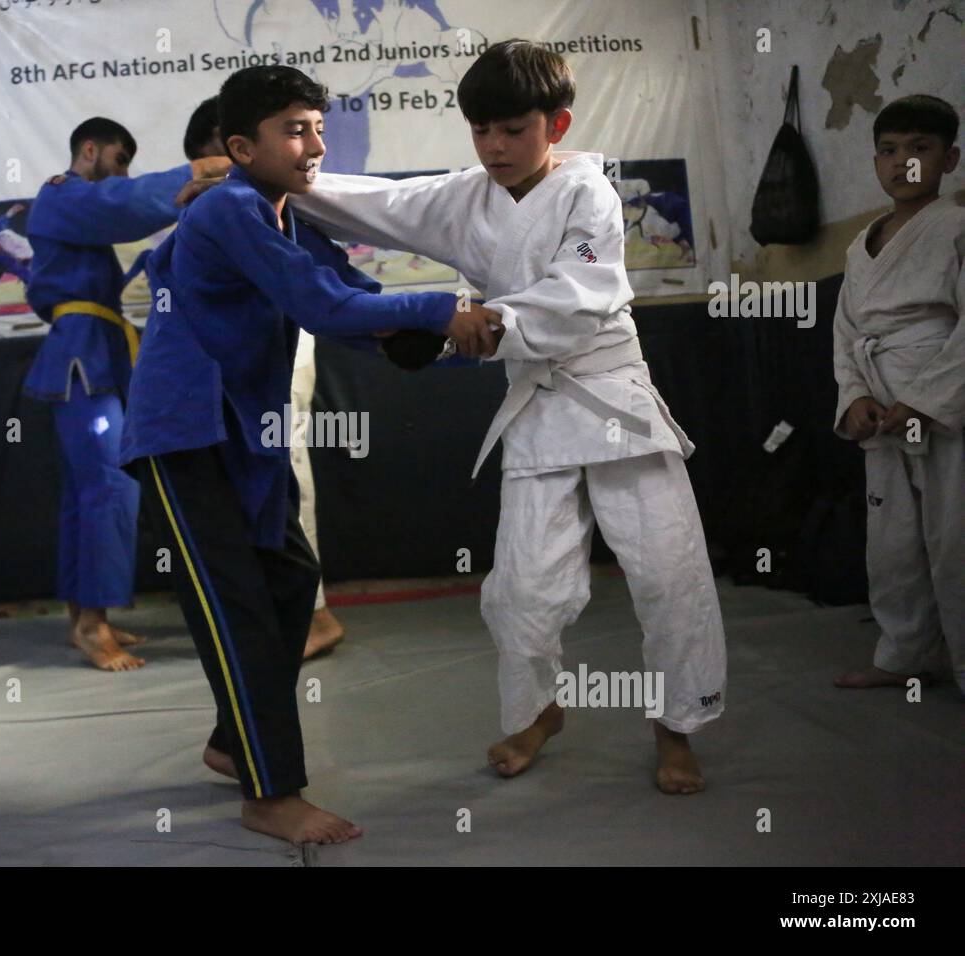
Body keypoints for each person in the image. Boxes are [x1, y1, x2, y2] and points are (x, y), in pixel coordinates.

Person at [293, 41, 726, 794]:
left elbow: (580, 295)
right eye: (480, 130)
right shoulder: (466, 196)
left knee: (668, 573)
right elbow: (372, 202)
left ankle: (676, 725)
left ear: (555, 125)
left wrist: (475, 319)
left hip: (612, 396)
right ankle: (537, 711)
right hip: (537, 404)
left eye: (512, 130)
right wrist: (271, 183)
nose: (494, 147)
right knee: (522, 588)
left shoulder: (589, 194)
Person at [120, 65, 500, 844]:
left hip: (244, 438)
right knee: (237, 607)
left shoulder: (289, 219)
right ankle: (270, 792)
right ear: (239, 146)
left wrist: (490, 342)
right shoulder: (228, 208)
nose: (315, 145)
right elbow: (324, 308)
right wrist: (444, 307)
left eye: (318, 127)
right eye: (295, 129)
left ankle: (234, 742)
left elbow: (360, 310)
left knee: (292, 579)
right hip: (184, 433)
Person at [24, 116, 230, 671]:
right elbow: (123, 203)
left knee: (87, 489)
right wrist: (204, 169)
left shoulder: (73, 212)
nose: (121, 174)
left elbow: (121, 204)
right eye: (116, 161)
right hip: (81, 356)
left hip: (97, 347)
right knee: (108, 484)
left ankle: (83, 619)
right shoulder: (60, 194)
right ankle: (93, 625)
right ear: (88, 150)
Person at [182, 95, 345, 659]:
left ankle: (314, 611)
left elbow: (332, 296)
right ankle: (286, 603)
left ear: (239, 147)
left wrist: (426, 316)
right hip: (236, 366)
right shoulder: (225, 207)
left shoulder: (272, 199)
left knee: (285, 458)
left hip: (280, 345)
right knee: (261, 469)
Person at [831, 94, 964, 695]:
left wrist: (926, 398)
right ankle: (904, 651)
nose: (902, 163)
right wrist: (854, 394)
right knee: (893, 541)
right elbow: (847, 332)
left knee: (953, 534)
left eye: (920, 149)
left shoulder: (956, 225)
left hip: (937, 396)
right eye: (888, 150)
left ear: (950, 159)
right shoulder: (862, 244)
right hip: (882, 401)